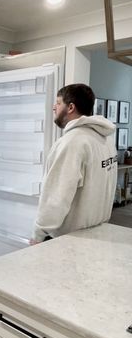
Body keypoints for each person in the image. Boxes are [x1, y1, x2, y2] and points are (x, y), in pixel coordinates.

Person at [30, 83, 117, 244]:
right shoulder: (106, 139)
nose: (53, 107)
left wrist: (39, 233)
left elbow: (57, 196)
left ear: (70, 107)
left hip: (69, 238)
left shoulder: (72, 142)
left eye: (58, 103)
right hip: (98, 231)